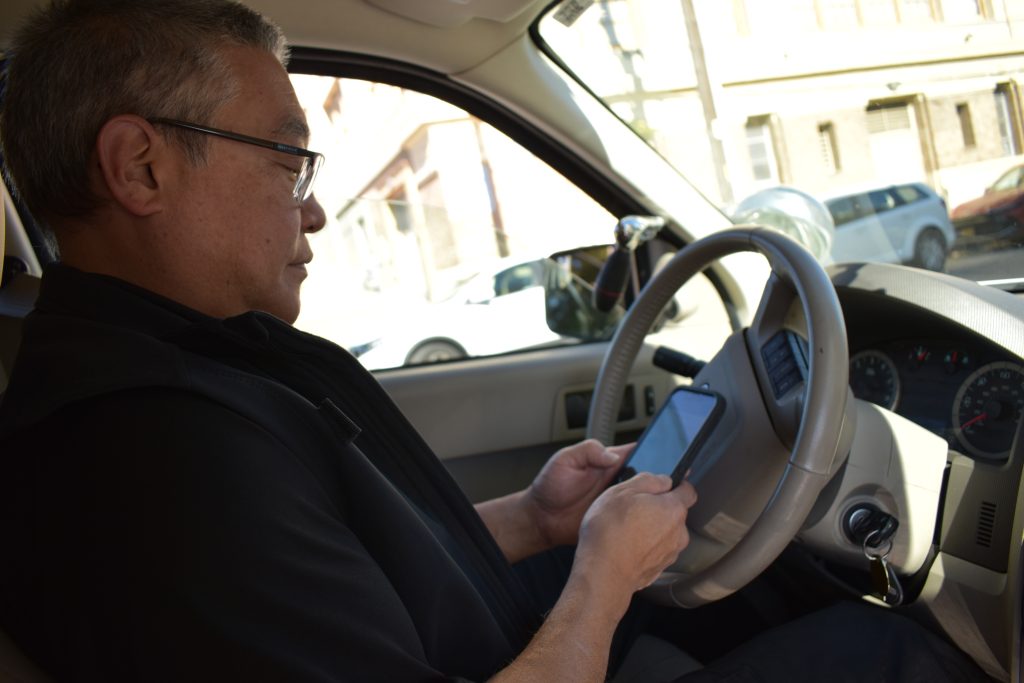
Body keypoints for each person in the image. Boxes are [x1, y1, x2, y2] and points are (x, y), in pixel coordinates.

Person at [0, 1, 992, 682]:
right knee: (897, 652)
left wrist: (536, 517)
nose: (313, 212)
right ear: (140, 165)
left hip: (476, 635)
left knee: (749, 587)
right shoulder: (155, 455)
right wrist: (599, 580)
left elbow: (344, 566)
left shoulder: (184, 364)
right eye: (287, 158)